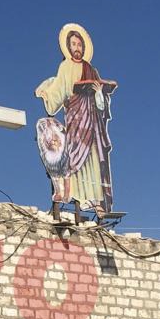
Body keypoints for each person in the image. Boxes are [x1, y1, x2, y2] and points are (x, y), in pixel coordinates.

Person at [34, 23, 118, 217]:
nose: (77, 48)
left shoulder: (91, 69)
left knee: (94, 156)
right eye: (73, 44)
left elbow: (101, 98)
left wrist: (99, 93)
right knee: (76, 156)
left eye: (80, 44)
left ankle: (96, 200)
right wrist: (46, 93)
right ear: (68, 47)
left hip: (93, 120)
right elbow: (59, 92)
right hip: (77, 118)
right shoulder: (65, 66)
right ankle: (78, 195)